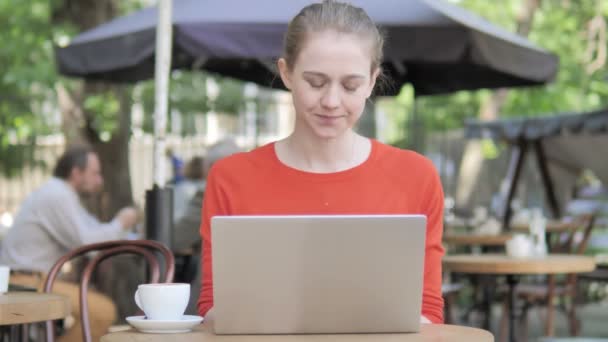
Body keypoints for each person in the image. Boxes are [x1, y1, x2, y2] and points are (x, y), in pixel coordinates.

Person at [198, 0, 445, 324]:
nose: (331, 101)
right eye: (315, 82)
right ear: (286, 73)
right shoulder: (231, 177)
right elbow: (213, 307)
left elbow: (427, 312)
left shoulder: (416, 176)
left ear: (372, 81)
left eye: (350, 85)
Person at [0, 146, 139, 342]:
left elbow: (94, 232)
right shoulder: (57, 195)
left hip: (33, 279)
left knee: (98, 307)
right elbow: (88, 243)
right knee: (103, 311)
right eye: (95, 173)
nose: (100, 180)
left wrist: (132, 237)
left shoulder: (62, 195)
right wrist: (121, 223)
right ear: (76, 173)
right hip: (26, 283)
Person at [173, 138, 241, 314]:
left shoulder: (207, 194)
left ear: (211, 169)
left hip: (214, 298)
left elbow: (176, 238)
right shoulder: (256, 193)